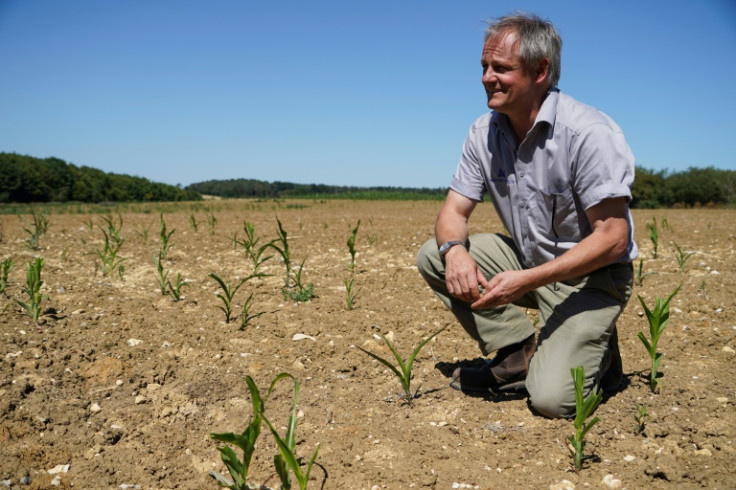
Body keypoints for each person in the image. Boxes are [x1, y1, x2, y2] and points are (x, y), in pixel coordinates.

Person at [416, 13, 637, 419]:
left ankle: (602, 357)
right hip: (530, 264)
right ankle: (519, 351)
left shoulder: (588, 132)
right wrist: (454, 251)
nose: (486, 77)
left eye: (501, 68)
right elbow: (453, 210)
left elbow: (613, 238)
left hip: (592, 278)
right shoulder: (483, 132)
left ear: (540, 71)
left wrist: (527, 281)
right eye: (484, 66)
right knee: (434, 254)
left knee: (553, 401)